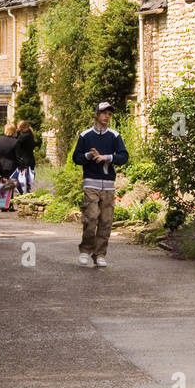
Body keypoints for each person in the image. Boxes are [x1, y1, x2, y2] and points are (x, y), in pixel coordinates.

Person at [71, 102, 129, 268]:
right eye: (104, 113)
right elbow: (76, 158)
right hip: (91, 184)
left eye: (109, 114)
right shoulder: (85, 136)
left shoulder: (115, 136)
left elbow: (124, 156)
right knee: (91, 218)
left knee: (106, 221)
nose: (106, 117)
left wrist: (107, 157)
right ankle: (84, 250)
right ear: (97, 114)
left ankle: (100, 254)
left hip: (109, 185)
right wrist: (89, 155)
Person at [0, 123, 19, 212]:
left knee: (2, 184)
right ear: (13, 131)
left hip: (0, 165)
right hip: (11, 165)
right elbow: (18, 155)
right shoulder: (16, 142)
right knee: (10, 185)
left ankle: (1, 205)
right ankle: (9, 205)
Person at [14, 120, 37, 196]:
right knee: (29, 178)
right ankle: (27, 192)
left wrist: (17, 132)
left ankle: (24, 194)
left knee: (23, 179)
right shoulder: (30, 134)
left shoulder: (23, 137)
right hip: (30, 158)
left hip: (24, 160)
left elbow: (16, 145)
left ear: (21, 127)